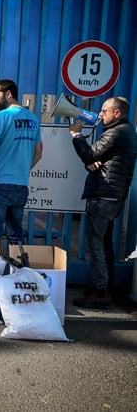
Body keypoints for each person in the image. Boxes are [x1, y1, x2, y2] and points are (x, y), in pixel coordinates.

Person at [69, 96, 137, 308]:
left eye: (105, 110)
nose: (101, 114)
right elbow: (96, 159)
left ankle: (100, 292)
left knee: (95, 243)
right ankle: (104, 286)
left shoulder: (117, 132)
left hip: (105, 194)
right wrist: (91, 162)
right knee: (104, 242)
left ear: (117, 113)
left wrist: (76, 135)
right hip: (112, 193)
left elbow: (90, 154)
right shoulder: (124, 131)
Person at [0, 79, 42, 246]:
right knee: (15, 235)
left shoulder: (3, 116)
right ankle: (18, 270)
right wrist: (23, 170)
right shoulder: (33, 119)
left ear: (8, 94)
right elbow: (38, 154)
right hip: (20, 185)